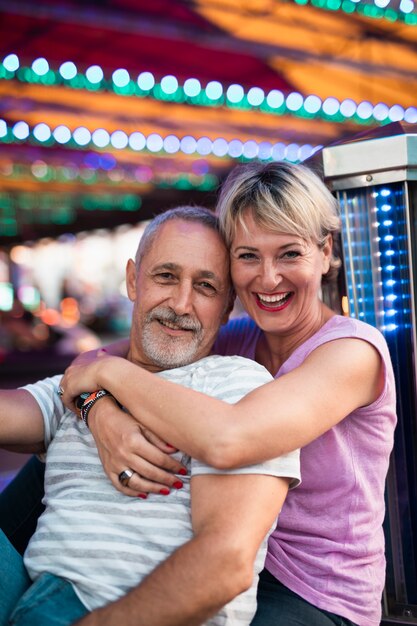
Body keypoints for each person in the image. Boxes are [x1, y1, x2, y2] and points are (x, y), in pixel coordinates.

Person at [59, 161, 397, 626]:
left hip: (315, 592)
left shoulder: (352, 353)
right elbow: (89, 365)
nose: (268, 278)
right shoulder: (237, 338)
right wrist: (99, 413)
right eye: (248, 256)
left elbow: (230, 438)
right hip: (241, 557)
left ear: (325, 252)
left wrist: (109, 381)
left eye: (289, 254)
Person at [0, 206, 300, 626]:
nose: (181, 303)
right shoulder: (81, 384)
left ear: (228, 304)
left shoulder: (238, 384)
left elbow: (226, 564)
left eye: (206, 287)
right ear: (132, 279)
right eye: (166, 276)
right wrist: (97, 398)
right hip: (33, 594)